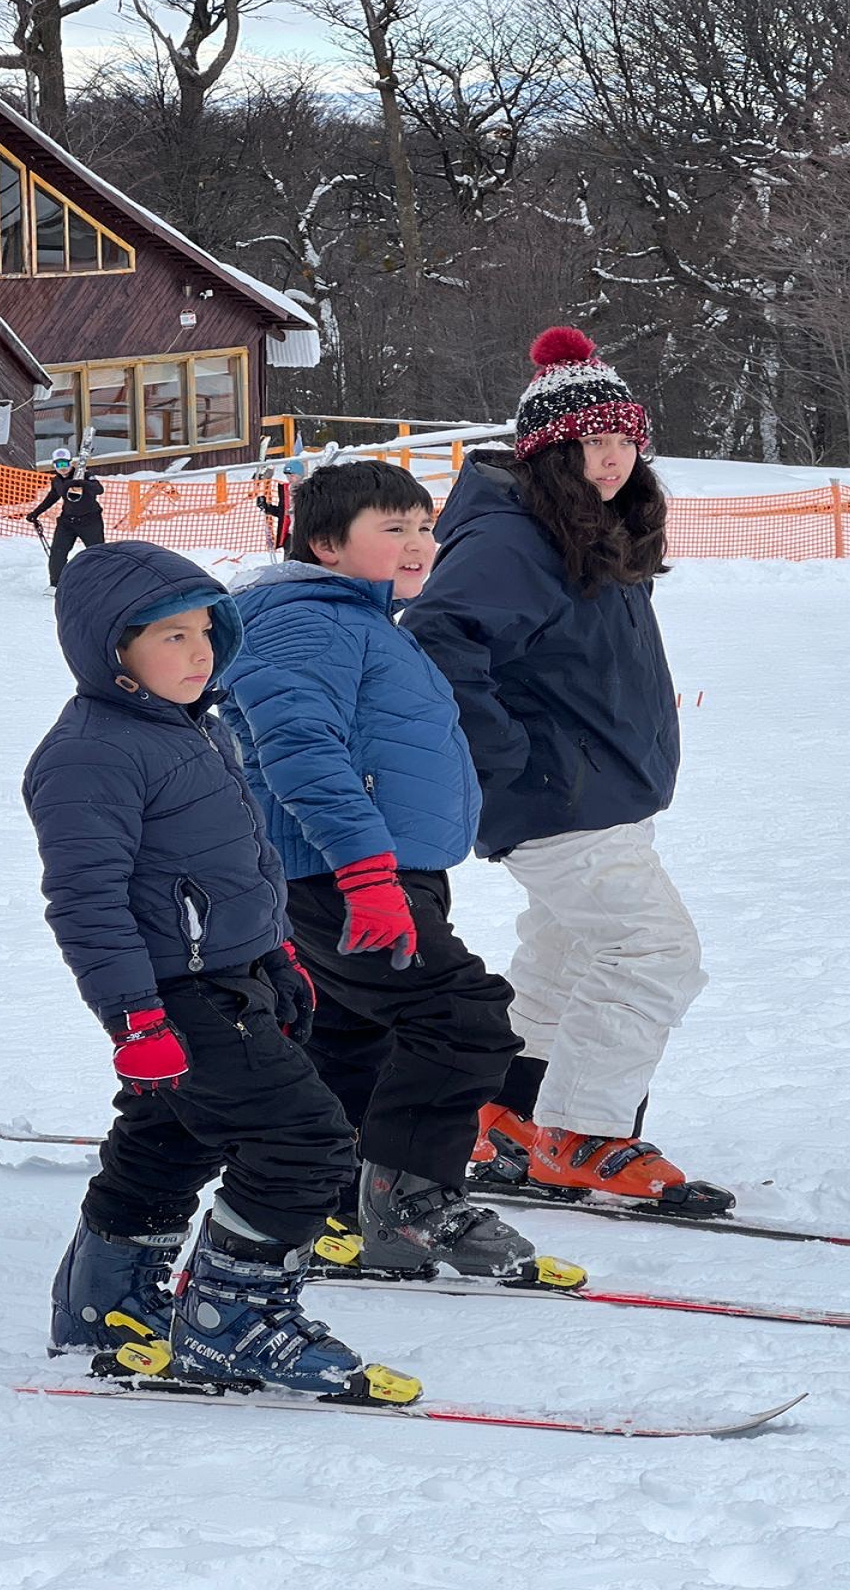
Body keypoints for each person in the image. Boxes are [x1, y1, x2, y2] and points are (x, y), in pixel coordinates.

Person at [23, 538, 418, 1404]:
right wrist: (137, 1020)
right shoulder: (90, 753)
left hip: (231, 977)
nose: (199, 651)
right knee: (304, 1143)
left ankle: (104, 1299)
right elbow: (87, 903)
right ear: (110, 649)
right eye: (170, 636)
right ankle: (231, 1320)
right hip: (172, 995)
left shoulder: (188, 728)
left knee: (175, 1133)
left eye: (206, 629)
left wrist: (276, 957)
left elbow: (238, 866)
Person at [218, 461, 582, 1286]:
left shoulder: (365, 620)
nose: (419, 543)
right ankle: (411, 1207)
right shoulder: (307, 625)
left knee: (360, 1036)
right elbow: (300, 753)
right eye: (394, 529)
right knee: (464, 1020)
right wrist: (364, 873)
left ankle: (338, 1195)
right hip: (342, 874)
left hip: (374, 869)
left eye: (424, 526)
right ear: (325, 544)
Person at [402, 326, 730, 1211]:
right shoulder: (514, 538)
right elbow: (438, 641)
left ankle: (507, 1114)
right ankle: (582, 1132)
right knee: (651, 950)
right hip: (558, 800)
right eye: (595, 441)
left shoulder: (586, 526)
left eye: (626, 440)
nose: (615, 458)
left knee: (571, 954)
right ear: (551, 450)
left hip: (595, 792)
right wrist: (514, 763)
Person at [28, 447, 106, 589]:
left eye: (64, 464)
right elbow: (52, 497)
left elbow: (99, 489)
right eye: (58, 465)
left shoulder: (85, 475)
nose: (62, 468)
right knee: (57, 553)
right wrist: (36, 513)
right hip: (67, 522)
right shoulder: (57, 481)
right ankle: (56, 584)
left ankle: (100, 584)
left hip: (90, 521)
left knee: (97, 553)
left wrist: (82, 483)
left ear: (71, 463)